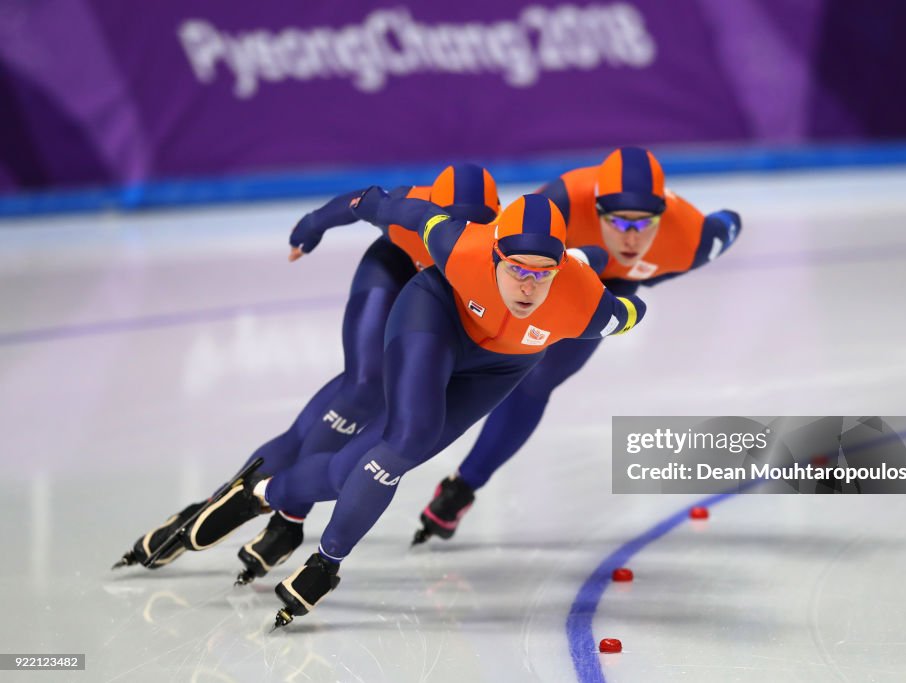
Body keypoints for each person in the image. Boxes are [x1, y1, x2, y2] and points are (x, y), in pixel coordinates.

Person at [179, 191, 648, 624]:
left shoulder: (586, 306)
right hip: (434, 318)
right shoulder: (459, 244)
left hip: (499, 368)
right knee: (409, 438)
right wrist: (314, 222)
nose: (527, 287)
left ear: (560, 268)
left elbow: (632, 312)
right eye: (516, 270)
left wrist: (614, 280)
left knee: (353, 470)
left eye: (541, 274)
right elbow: (376, 203)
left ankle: (262, 499)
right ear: (493, 256)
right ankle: (318, 551)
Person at [114, 164, 502, 577]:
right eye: (448, 228)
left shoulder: (504, 244)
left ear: (496, 222)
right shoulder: (409, 209)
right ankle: (269, 515)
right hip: (396, 268)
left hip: (442, 305)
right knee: (364, 386)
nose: (453, 243)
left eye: (473, 230)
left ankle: (279, 516)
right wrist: (312, 225)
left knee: (389, 413)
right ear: (433, 215)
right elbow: (360, 202)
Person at [412, 147, 742, 544]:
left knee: (540, 377)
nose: (631, 236)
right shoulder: (562, 202)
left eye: (644, 223)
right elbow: (493, 248)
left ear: (663, 217)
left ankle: (463, 486)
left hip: (615, 284)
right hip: (555, 272)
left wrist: (643, 280)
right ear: (596, 207)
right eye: (618, 221)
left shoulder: (694, 239)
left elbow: (730, 222)